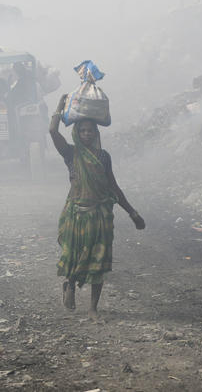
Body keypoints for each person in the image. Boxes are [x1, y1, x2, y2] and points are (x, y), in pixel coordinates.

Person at [49, 94, 145, 320]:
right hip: (77, 215)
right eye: (82, 130)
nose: (86, 134)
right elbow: (53, 132)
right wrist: (59, 108)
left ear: (96, 133)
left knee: (99, 262)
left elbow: (114, 188)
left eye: (90, 130)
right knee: (75, 257)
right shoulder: (70, 154)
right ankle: (70, 284)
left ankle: (93, 308)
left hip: (100, 215)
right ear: (77, 133)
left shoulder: (103, 157)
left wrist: (133, 213)